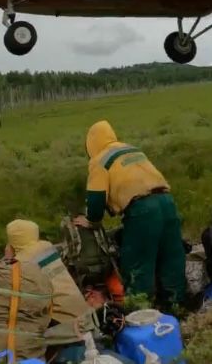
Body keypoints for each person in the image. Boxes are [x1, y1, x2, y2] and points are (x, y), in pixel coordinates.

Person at [75, 120, 185, 308]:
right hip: (167, 203)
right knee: (171, 259)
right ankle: (176, 309)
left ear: (91, 143)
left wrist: (91, 220)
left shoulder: (99, 160)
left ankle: (140, 314)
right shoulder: (132, 150)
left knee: (138, 265)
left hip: (142, 211)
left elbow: (96, 198)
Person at [6, 219, 94, 362]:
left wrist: (10, 258)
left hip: (65, 325)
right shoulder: (47, 250)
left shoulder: (22, 265)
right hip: (82, 316)